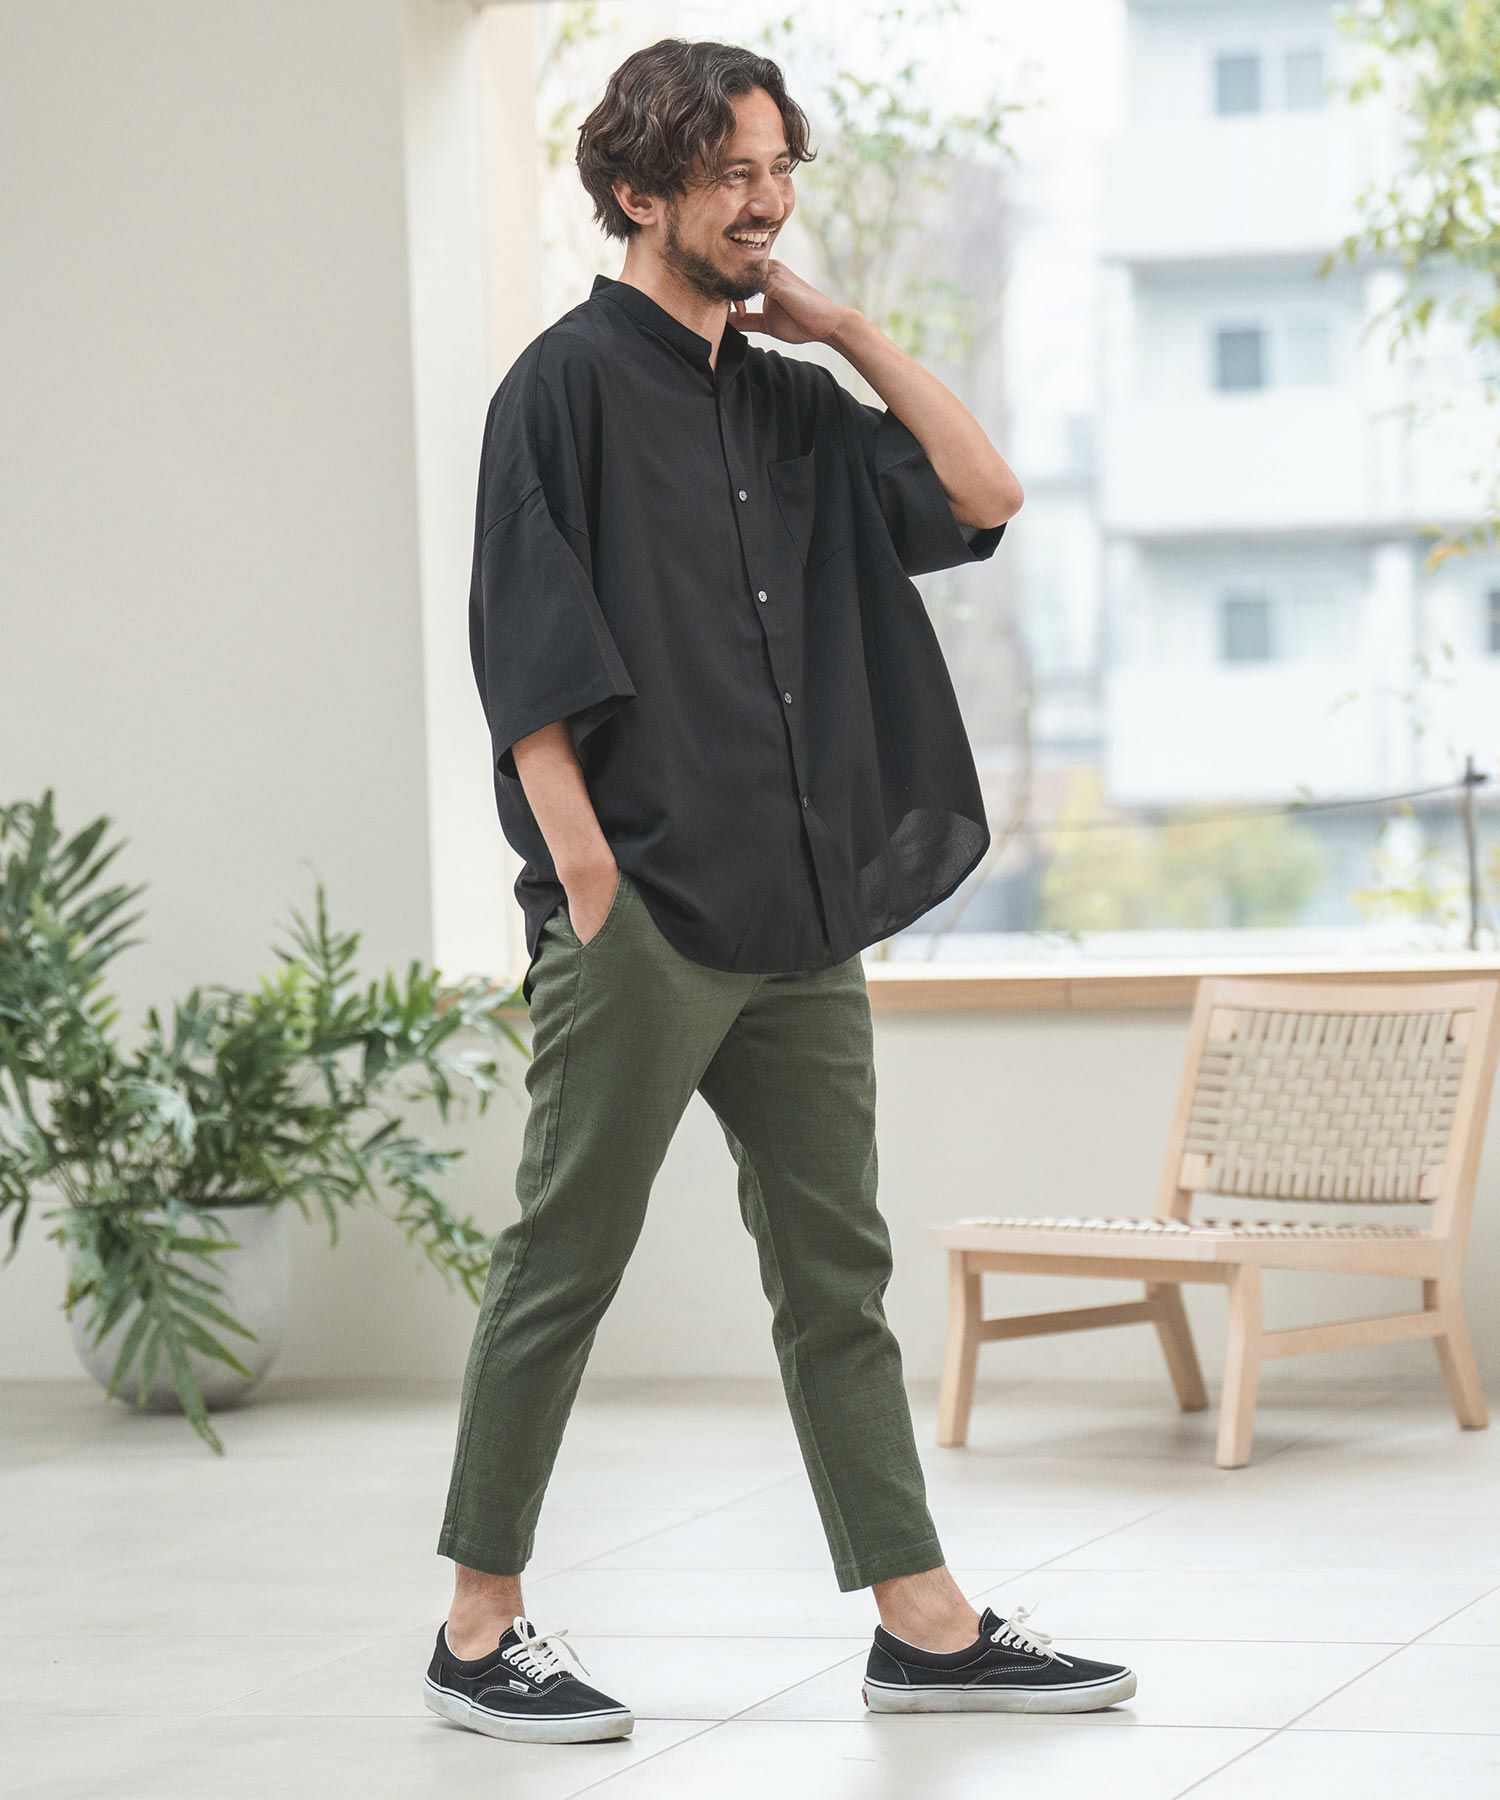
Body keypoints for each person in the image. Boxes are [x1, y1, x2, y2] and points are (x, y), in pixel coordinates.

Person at [424, 36, 1136, 1745]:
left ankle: (922, 1626)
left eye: (778, 170)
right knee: (564, 1261)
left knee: (837, 1274)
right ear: (637, 191)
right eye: (731, 174)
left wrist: (850, 330)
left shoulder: (794, 400)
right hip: (647, 913)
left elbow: (983, 494)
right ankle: (475, 1630)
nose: (766, 203)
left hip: (802, 915)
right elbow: (524, 647)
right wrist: (588, 875)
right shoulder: (560, 388)